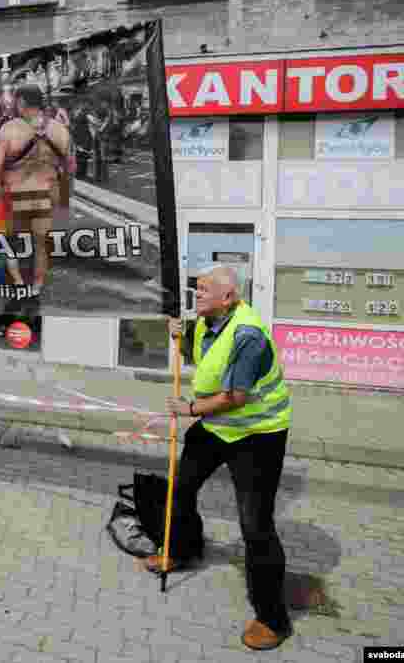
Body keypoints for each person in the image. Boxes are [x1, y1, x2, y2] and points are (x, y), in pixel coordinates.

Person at [132, 265, 293, 651]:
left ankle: (273, 618)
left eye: (204, 290)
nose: (196, 295)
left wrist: (189, 409)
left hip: (257, 436)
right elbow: (200, 354)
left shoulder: (248, 335)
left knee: (255, 525)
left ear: (228, 297)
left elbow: (235, 397)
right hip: (216, 427)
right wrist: (179, 339)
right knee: (182, 486)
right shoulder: (207, 321)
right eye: (196, 289)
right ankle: (182, 550)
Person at [0, 84, 71, 293]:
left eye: (16, 101)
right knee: (41, 245)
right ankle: (37, 285)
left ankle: (17, 281)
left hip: (14, 196)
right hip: (44, 196)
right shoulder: (59, 129)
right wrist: (63, 200)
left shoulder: (8, 129)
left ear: (22, 102)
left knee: (10, 242)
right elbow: (70, 166)